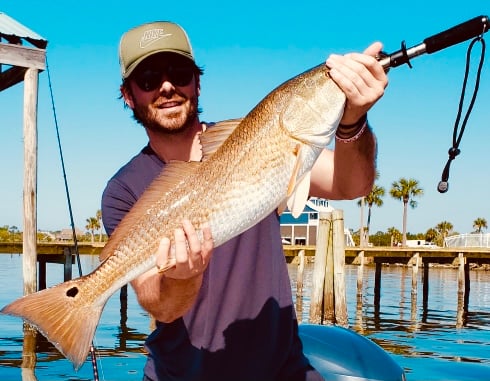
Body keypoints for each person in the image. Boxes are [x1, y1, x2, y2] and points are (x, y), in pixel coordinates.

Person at [102, 20, 387, 381]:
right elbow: (157, 301)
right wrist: (183, 278)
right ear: (128, 95)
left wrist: (353, 122)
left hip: (282, 371)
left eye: (179, 72)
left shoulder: (262, 139)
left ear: (197, 81)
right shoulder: (122, 189)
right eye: (148, 79)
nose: (167, 86)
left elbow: (352, 184)